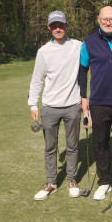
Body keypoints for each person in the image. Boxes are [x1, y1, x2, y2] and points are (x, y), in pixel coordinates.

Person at [28, 10, 83, 201]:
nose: (58, 29)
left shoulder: (78, 46)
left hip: (73, 105)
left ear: (66, 25)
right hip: (50, 107)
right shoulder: (43, 52)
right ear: (49, 28)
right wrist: (33, 104)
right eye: (54, 26)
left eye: (61, 25)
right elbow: (37, 79)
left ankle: (72, 180)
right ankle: (51, 183)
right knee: (50, 147)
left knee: (72, 146)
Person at [79, 6, 112, 201]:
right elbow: (82, 70)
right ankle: (104, 181)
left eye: (111, 19)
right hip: (98, 101)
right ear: (98, 20)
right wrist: (83, 97)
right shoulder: (88, 42)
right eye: (104, 19)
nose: (108, 22)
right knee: (100, 142)